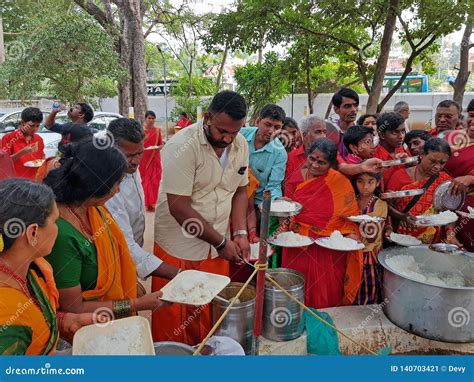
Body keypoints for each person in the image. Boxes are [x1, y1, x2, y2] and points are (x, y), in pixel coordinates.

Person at [152, 91, 250, 345]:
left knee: (208, 309)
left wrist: (239, 234)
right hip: (179, 246)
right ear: (207, 117)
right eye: (221, 131)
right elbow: (179, 207)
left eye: (234, 132)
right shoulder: (182, 146)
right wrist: (220, 242)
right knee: (174, 315)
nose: (227, 138)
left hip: (217, 248)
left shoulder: (240, 145)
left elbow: (240, 190)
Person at [44, 139, 166, 319]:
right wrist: (136, 304)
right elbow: (74, 308)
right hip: (82, 332)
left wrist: (131, 284)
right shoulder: (61, 233)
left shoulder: (94, 210)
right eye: (116, 184)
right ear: (95, 184)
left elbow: (118, 253)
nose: (117, 191)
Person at [0, 179, 100, 355]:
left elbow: (33, 319)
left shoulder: (30, 268)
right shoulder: (7, 315)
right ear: (33, 233)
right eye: (55, 221)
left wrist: (64, 321)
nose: (58, 228)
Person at [282, 138, 363, 308]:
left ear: (331, 164)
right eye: (312, 158)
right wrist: (284, 206)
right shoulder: (296, 178)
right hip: (298, 244)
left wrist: (352, 233)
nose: (315, 165)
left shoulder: (340, 182)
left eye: (322, 162)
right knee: (295, 292)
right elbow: (289, 213)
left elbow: (348, 217)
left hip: (328, 247)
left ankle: (325, 323)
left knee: (326, 293)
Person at [105, 118, 179, 283]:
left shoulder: (130, 169)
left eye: (140, 153)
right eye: (129, 156)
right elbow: (125, 246)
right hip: (113, 264)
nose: (137, 161)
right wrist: (178, 274)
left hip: (130, 259)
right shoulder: (107, 187)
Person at [388, 138, 463, 245]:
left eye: (442, 163)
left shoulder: (445, 182)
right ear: (422, 155)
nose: (437, 167)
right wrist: (401, 216)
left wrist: (450, 234)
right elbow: (386, 208)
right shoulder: (399, 176)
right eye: (433, 161)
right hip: (401, 240)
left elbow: (449, 213)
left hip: (431, 243)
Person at [284, 115, 383, 189]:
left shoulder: (330, 153)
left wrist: (362, 166)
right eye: (318, 132)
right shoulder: (291, 157)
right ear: (305, 135)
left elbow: (343, 167)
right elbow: (287, 185)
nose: (323, 136)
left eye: (324, 132)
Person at [351, 171, 390, 305]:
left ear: (377, 183)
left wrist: (353, 227)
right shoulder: (351, 201)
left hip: (369, 255)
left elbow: (372, 236)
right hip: (351, 254)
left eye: (370, 182)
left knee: (368, 290)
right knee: (352, 288)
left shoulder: (380, 205)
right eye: (360, 181)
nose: (365, 186)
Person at [240, 104, 288, 205]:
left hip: (258, 202)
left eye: (277, 127)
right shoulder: (240, 135)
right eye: (267, 124)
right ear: (258, 121)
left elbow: (274, 185)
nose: (271, 131)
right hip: (231, 194)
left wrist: (276, 199)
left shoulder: (280, 153)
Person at [443, 99, 474, 251]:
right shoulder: (450, 139)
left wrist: (471, 179)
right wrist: (449, 228)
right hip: (450, 210)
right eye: (472, 115)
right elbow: (438, 176)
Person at [1, 107, 45, 179]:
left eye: (37, 126)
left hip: (34, 182)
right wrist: (23, 152)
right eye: (31, 125)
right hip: (15, 182)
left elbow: (41, 158)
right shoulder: (9, 138)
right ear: (22, 123)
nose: (35, 129)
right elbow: (4, 162)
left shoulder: (39, 139)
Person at [138, 111, 165, 211]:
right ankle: (146, 203)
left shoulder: (157, 131)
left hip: (155, 158)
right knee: (145, 181)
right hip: (144, 159)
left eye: (153, 118)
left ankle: (152, 203)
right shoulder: (140, 131)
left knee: (154, 181)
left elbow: (161, 144)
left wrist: (158, 147)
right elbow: (138, 144)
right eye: (149, 118)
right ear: (145, 119)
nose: (151, 120)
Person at [373, 112, 408, 189]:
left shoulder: (401, 148)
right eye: (394, 132)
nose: (401, 136)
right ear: (382, 135)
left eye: (403, 131)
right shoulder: (374, 157)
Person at [331, 87, 359, 158]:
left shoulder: (363, 134)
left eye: (355, 105)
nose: (353, 110)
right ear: (336, 109)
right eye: (347, 106)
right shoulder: (329, 133)